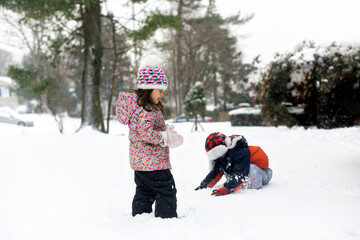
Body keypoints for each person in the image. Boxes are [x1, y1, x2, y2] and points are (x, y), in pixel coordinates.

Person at [116, 66, 183, 218]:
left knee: (144, 191)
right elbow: (146, 133)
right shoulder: (147, 110)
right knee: (166, 190)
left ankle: (140, 216)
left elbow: (145, 129)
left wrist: (165, 129)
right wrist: (165, 137)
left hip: (140, 164)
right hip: (154, 164)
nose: (162, 93)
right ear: (148, 89)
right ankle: (166, 218)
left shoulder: (139, 108)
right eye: (159, 90)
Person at [195, 132, 272, 196]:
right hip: (246, 172)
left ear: (222, 149)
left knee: (250, 168)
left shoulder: (241, 151)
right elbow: (216, 171)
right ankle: (242, 183)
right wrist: (204, 185)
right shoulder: (222, 156)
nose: (217, 157)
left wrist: (227, 188)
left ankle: (254, 188)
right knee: (224, 168)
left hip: (262, 174)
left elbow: (242, 172)